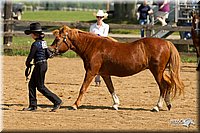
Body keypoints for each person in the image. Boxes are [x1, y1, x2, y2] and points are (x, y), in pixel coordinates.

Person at [23, 22, 63, 111]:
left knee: (40, 87)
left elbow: (31, 55)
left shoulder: (35, 44)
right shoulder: (43, 43)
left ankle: (57, 101)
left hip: (39, 65)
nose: (31, 35)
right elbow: (48, 54)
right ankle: (33, 105)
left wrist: (27, 63)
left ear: (34, 34)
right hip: (42, 64)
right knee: (32, 85)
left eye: (31, 34)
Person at [90, 10, 109, 87]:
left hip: (103, 46)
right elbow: (90, 36)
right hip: (94, 47)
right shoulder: (92, 27)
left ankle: (99, 78)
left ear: (103, 18)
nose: (99, 18)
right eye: (98, 17)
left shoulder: (106, 26)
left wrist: (97, 35)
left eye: (100, 17)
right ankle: (97, 79)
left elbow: (105, 36)